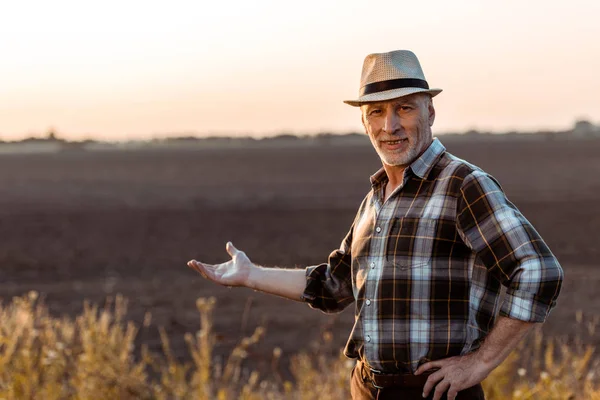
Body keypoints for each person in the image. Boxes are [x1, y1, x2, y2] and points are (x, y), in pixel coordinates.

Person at [187, 50, 563, 400]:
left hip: (434, 391)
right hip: (368, 387)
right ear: (364, 122)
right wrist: (250, 274)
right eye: (377, 112)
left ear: (430, 112)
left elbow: (538, 271)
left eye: (404, 109)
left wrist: (480, 363)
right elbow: (334, 285)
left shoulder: (462, 184)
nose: (391, 126)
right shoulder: (376, 199)